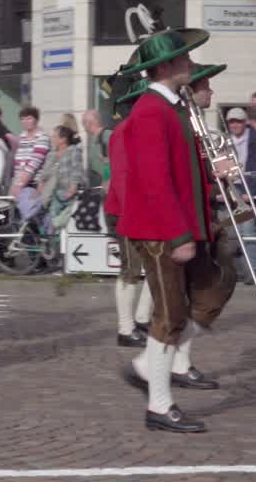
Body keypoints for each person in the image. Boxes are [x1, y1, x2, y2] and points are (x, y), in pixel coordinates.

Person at [117, 28, 233, 434]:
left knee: (204, 295)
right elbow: (155, 181)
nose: (190, 63)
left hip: (178, 227)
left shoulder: (171, 108)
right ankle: (159, 406)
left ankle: (150, 372)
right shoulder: (151, 111)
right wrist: (179, 235)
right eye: (184, 59)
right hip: (161, 232)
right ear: (166, 67)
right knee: (168, 316)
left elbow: (180, 172)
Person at [104, 78, 153, 348]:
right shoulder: (124, 131)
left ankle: (142, 319)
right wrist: (132, 213)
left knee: (154, 268)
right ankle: (125, 328)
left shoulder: (139, 130)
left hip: (141, 210)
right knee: (131, 271)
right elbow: (122, 176)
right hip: (126, 211)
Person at [224, 107, 256, 281]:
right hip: (228, 188)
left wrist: (253, 192)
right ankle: (232, 272)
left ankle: (251, 272)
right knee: (230, 234)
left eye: (238, 121)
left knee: (248, 231)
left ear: (245, 122)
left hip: (247, 188)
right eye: (231, 122)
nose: (235, 125)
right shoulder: (223, 140)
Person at [9, 107, 51, 221]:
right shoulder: (22, 137)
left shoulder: (42, 138)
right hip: (20, 183)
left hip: (34, 185)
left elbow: (33, 164)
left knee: (31, 219)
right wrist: (16, 183)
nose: (26, 121)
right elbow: (18, 164)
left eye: (29, 118)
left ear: (36, 119)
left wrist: (18, 185)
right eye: (23, 119)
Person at [82, 110, 110, 189]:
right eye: (84, 122)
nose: (84, 126)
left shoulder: (108, 135)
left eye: (85, 122)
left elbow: (119, 161)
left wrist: (108, 180)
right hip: (98, 186)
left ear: (96, 121)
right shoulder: (93, 139)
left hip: (109, 186)